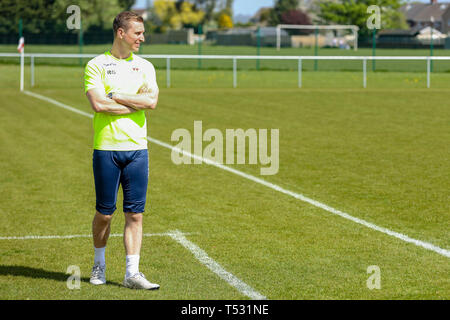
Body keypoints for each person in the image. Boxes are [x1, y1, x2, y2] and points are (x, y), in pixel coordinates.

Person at [84, 11, 159, 290]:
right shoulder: (96, 65)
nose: (142, 37)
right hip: (106, 149)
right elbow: (99, 105)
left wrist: (116, 95)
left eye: (142, 32)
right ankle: (99, 263)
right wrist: (133, 102)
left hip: (138, 150)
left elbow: (151, 102)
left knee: (135, 214)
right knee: (105, 213)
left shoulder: (146, 66)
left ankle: (132, 273)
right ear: (121, 33)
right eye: (137, 33)